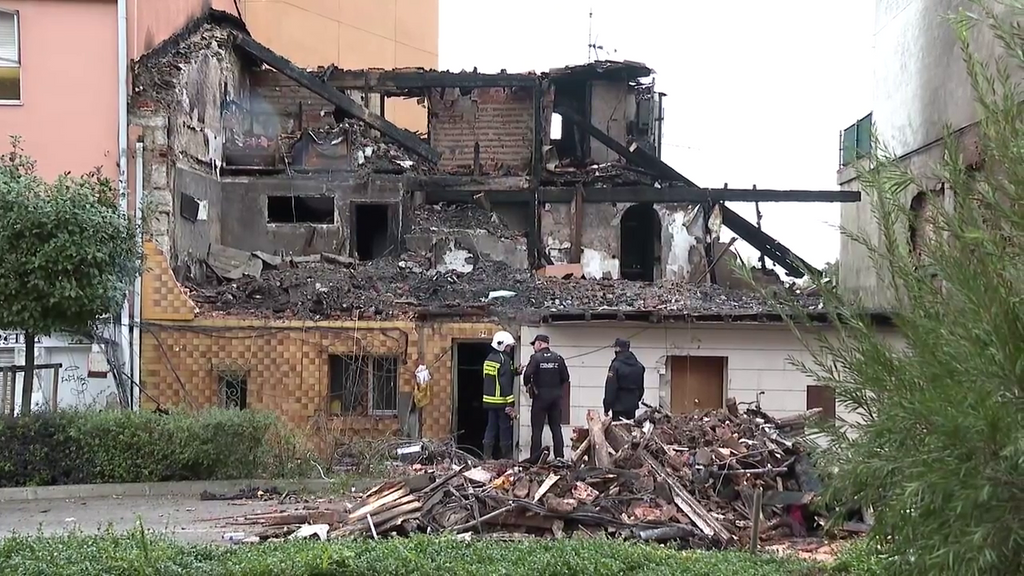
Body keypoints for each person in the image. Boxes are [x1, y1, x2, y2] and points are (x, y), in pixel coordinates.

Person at [523, 334, 570, 460]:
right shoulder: (558, 358)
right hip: (555, 398)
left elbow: (527, 374)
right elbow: (566, 377)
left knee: (537, 430)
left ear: (539, 344)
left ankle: (534, 460)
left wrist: (528, 384)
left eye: (534, 345)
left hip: (540, 398)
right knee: (556, 428)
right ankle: (560, 458)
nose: (534, 347)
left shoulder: (535, 358)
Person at [482, 330, 517, 460]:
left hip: (489, 400)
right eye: (509, 346)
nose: (510, 348)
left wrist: (514, 371)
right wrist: (510, 402)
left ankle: (487, 456)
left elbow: (496, 376)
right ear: (503, 345)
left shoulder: (489, 358)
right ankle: (506, 458)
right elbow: (504, 381)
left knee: (491, 427)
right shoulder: (505, 360)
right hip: (501, 401)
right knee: (504, 429)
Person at [603, 337, 645, 421]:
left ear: (618, 349)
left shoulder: (616, 366)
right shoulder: (639, 366)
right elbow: (641, 389)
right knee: (630, 431)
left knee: (618, 431)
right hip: (632, 407)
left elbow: (610, 388)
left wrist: (607, 407)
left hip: (618, 408)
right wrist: (635, 399)